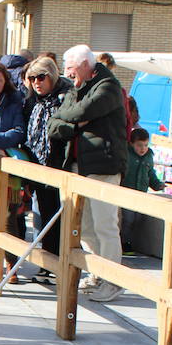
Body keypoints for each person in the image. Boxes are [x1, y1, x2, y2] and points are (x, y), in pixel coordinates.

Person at [47, 44, 129, 303]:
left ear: (84, 64)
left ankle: (113, 281)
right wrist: (72, 123)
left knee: (106, 225)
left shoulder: (108, 87)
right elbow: (55, 121)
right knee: (85, 228)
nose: (67, 74)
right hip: (79, 166)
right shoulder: (77, 88)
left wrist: (69, 118)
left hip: (103, 166)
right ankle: (96, 273)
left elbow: (82, 111)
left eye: (70, 68)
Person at [22, 57, 69, 284]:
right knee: (44, 216)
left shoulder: (64, 98)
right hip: (39, 166)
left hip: (59, 167)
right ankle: (47, 264)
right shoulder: (34, 101)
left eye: (41, 77)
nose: (37, 82)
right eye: (32, 78)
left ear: (52, 76)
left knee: (59, 219)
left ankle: (59, 266)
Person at [0, 60, 28, 281]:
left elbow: (19, 131)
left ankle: (11, 264)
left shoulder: (14, 101)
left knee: (9, 216)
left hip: (7, 163)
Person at [120, 126, 164, 252]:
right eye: (139, 145)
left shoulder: (149, 156)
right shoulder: (127, 155)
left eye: (145, 145)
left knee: (138, 219)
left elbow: (150, 173)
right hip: (127, 192)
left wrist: (157, 185)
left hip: (141, 193)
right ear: (132, 144)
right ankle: (124, 242)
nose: (143, 148)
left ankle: (129, 241)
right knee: (128, 219)